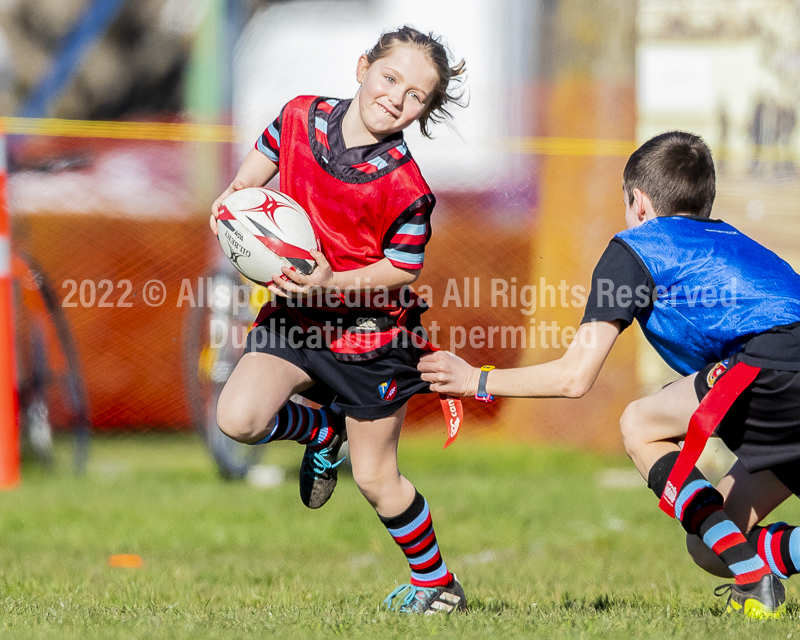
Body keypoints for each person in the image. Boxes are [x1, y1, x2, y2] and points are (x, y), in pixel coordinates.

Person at [419, 131, 800, 619]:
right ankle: (754, 573)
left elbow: (574, 377)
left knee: (639, 423)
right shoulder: (732, 238)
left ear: (638, 202)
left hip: (767, 368)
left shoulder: (638, 246)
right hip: (773, 374)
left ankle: (755, 581)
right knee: (711, 546)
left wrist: (475, 380)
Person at [209, 26, 468, 614]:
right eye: (390, 77)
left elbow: (402, 270)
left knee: (378, 480)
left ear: (424, 111)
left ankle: (437, 586)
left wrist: (332, 282)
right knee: (238, 417)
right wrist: (230, 211)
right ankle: (322, 434)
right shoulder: (299, 117)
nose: (397, 97)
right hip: (297, 318)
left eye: (417, 95)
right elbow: (249, 181)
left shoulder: (406, 187)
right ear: (362, 68)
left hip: (369, 338)